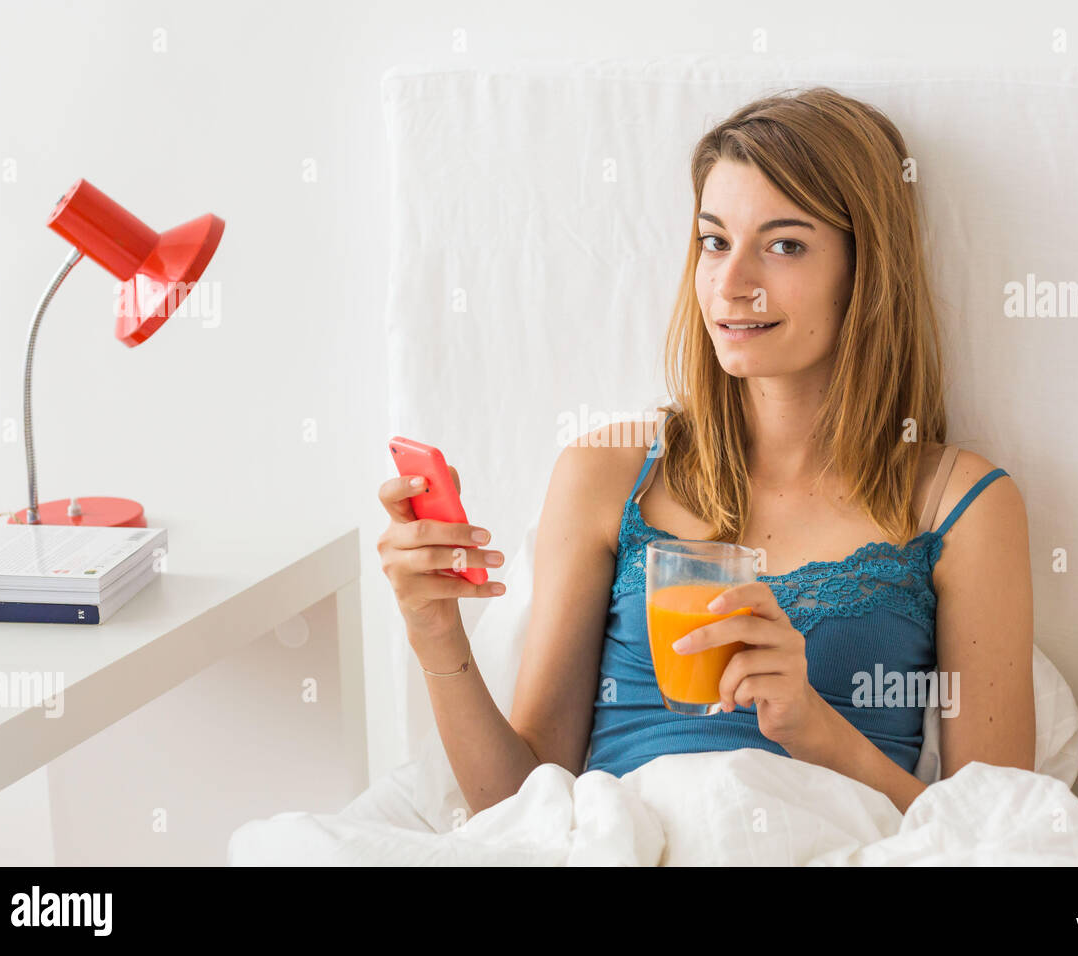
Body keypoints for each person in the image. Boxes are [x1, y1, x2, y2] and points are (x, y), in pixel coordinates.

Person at [377, 87, 1035, 818]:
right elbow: (517, 808)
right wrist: (437, 637)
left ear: (865, 271)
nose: (731, 283)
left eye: (785, 245)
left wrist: (817, 728)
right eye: (715, 241)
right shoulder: (607, 474)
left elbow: (999, 837)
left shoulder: (962, 504)